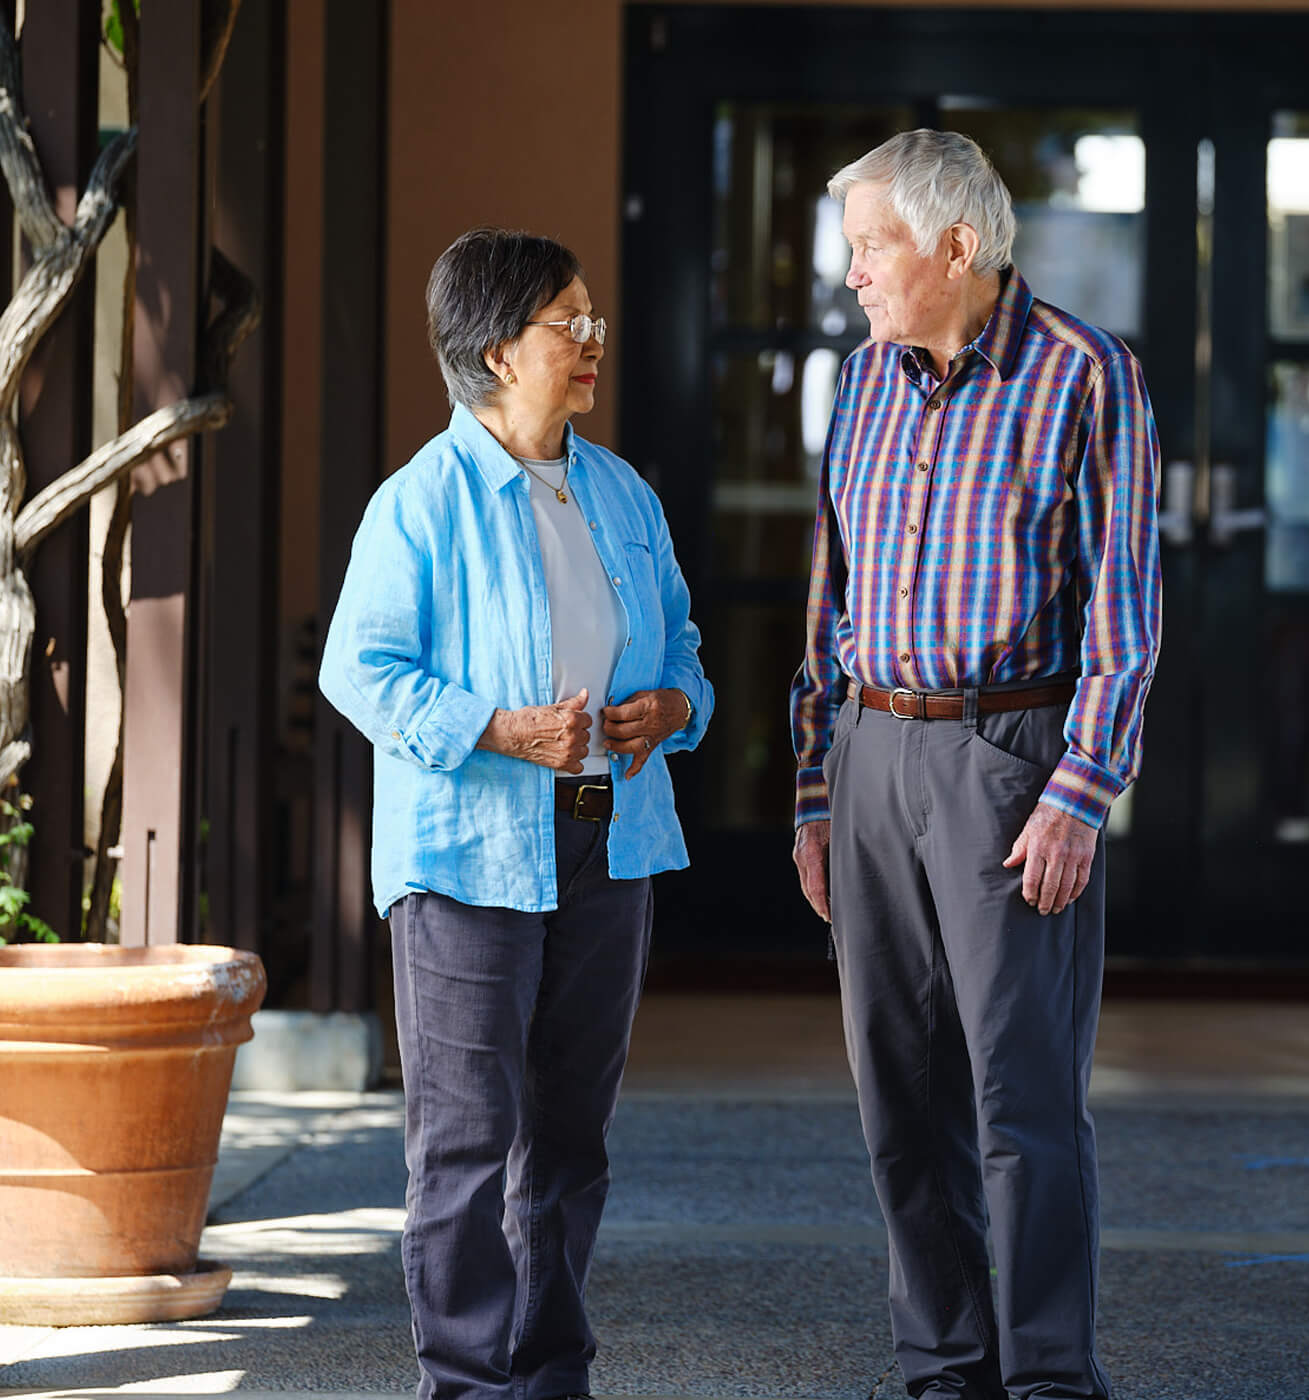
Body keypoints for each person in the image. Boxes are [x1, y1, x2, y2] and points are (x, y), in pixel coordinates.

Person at [790, 130, 1162, 1400]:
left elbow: (1124, 615)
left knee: (1021, 1096)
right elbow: (828, 604)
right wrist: (814, 784)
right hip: (872, 747)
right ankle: (945, 1366)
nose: (853, 276)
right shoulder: (863, 384)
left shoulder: (1086, 376)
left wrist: (1081, 789)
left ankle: (1052, 1375)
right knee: (897, 1093)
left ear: (957, 246)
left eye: (870, 246)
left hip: (1011, 758)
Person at [321, 227, 712, 1400]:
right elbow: (362, 669)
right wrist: (496, 727)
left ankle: (548, 1374)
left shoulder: (622, 491)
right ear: (495, 350)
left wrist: (673, 705)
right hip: (466, 853)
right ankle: (466, 1380)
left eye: (590, 321)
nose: (592, 343)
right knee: (463, 1139)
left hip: (610, 832)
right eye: (567, 324)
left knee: (571, 1133)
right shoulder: (419, 505)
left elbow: (685, 642)